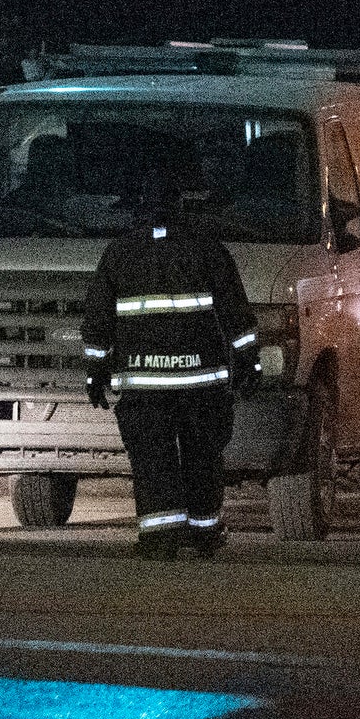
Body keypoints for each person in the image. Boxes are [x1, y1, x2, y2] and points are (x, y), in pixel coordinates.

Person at [81, 173, 257, 560]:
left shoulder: (119, 253)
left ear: (140, 208)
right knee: (203, 455)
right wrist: (248, 360)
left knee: (151, 459)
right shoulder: (208, 250)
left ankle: (160, 537)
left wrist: (94, 371)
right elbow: (235, 312)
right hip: (201, 383)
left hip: (143, 386)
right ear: (181, 205)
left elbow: (98, 320)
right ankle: (204, 532)